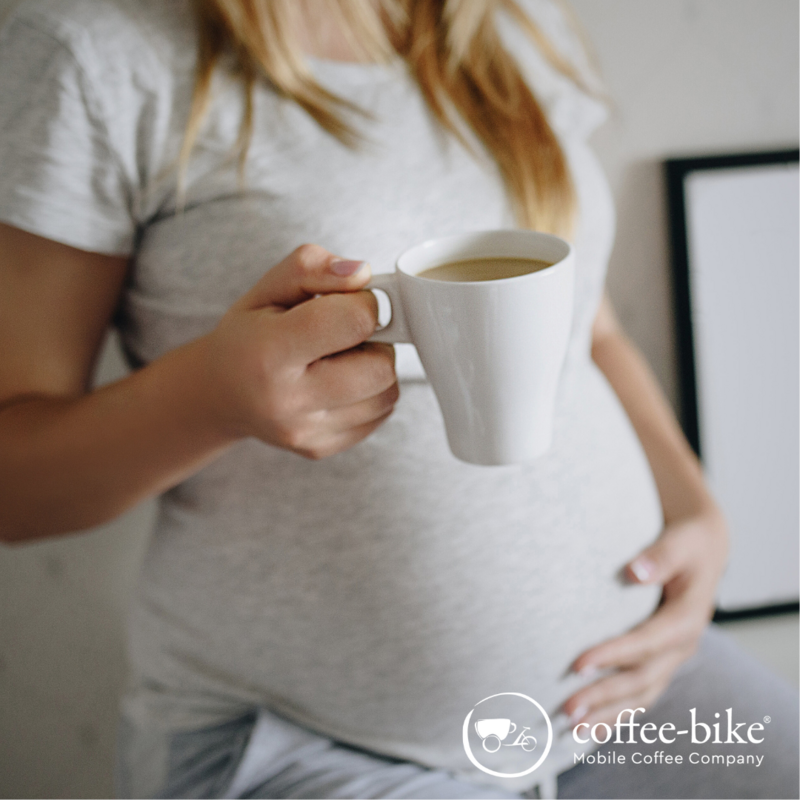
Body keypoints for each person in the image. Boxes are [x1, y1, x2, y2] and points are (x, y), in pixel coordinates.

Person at [0, 1, 796, 798]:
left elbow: (587, 327)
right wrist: (211, 398)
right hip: (314, 743)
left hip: (625, 682)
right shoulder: (89, 52)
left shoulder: (511, 26)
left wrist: (698, 508)